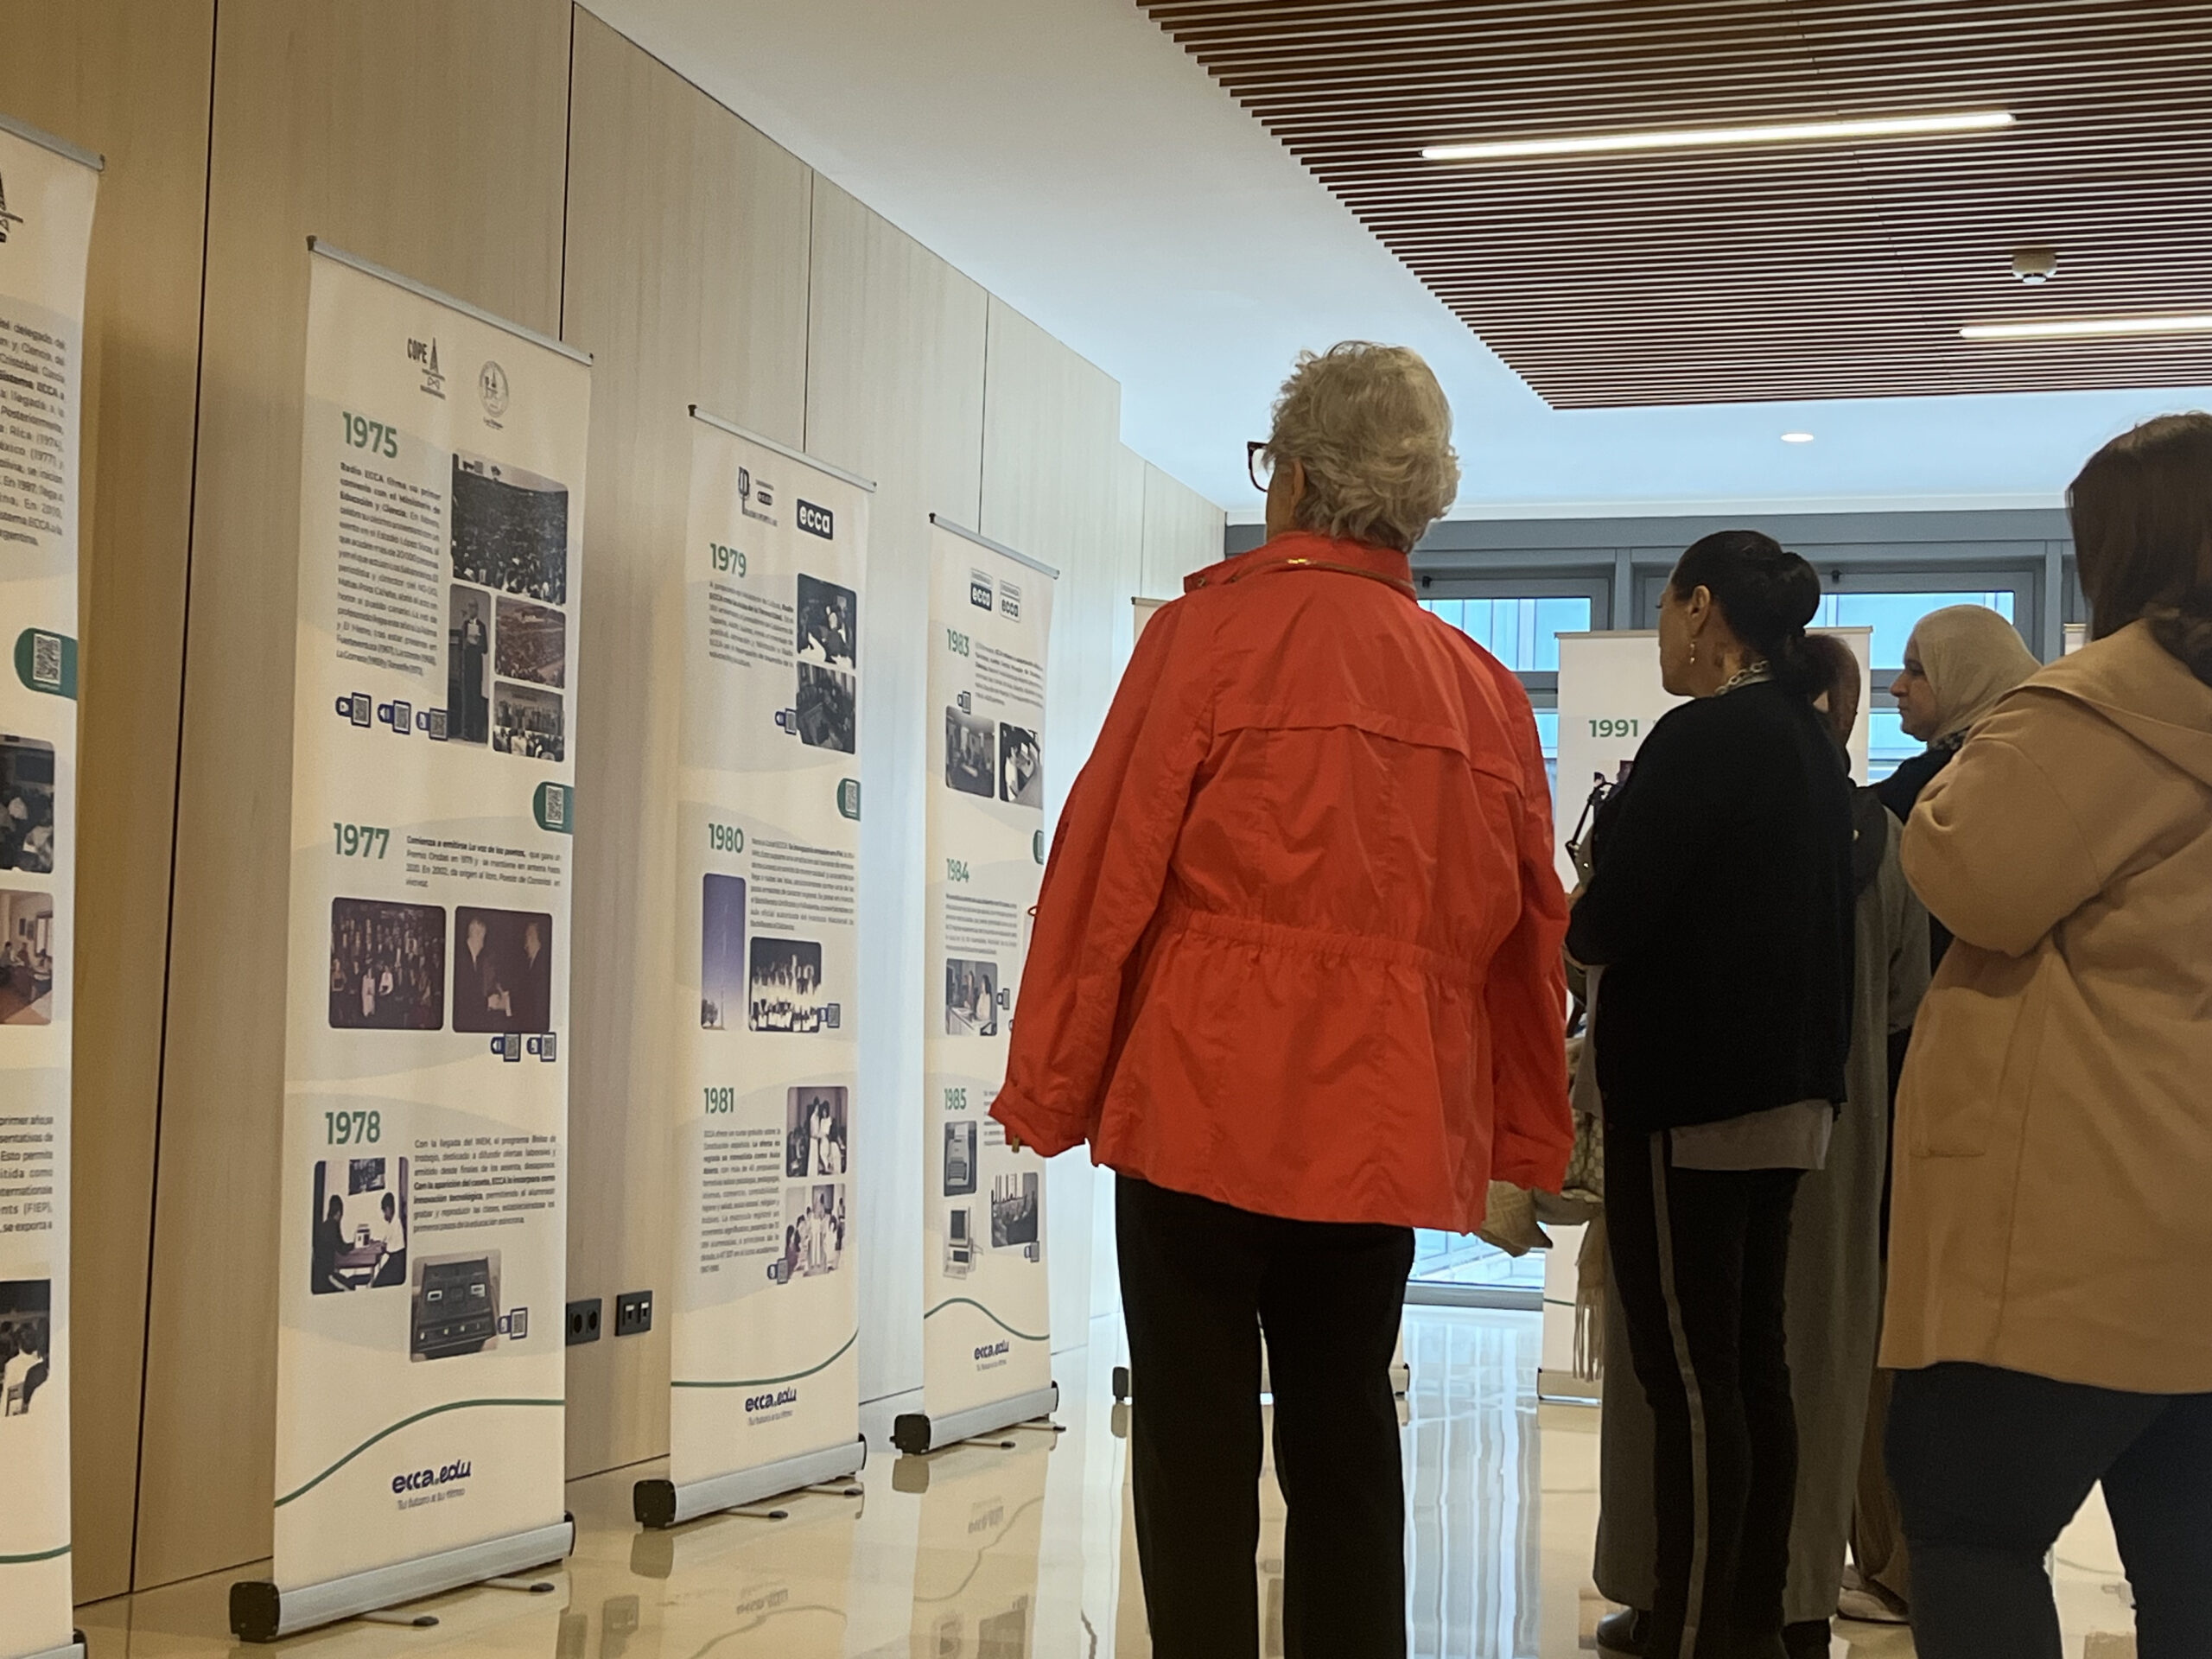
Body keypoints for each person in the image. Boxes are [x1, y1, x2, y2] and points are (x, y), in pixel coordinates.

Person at [990, 342, 1568, 1659]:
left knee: (1193, 1446)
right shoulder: (1482, 691)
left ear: (1295, 478)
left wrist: (1054, 1084)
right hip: (1382, 1120)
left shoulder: (1206, 640)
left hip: (1200, 1100)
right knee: (1347, 1436)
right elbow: (1526, 940)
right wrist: (1522, 1137)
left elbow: (1105, 870)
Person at [1881, 413, 2212, 1659]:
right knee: (2190, 1566)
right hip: (2192, 1220)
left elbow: (1971, 872)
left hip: (2074, 1219)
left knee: (1970, 1526)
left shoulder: (2098, 711)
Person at [1592, 635, 1929, 1659]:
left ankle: (1676, 1602)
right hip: (1836, 1133)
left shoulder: (1706, 801)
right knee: (1797, 1368)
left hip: (1698, 1117)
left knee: (1685, 1378)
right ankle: (1787, 1599)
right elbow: (1905, 1002)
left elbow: (1613, 942)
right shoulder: (1886, 840)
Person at [1568, 532, 1855, 1659]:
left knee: (1688, 1379)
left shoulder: (1703, 737)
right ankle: (1753, 1617)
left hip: (1689, 1097)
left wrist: (1580, 907)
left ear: (1700, 610)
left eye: (1664, 610)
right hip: (1789, 1094)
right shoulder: (1807, 739)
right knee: (1751, 1369)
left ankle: (1689, 1630)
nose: (1659, 636)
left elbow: (1611, 918)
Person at [312, 1193, 348, 1295]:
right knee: (347, 1289)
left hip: (317, 1276)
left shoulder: (324, 1225)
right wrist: (355, 1245)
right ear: (339, 1212)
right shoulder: (333, 1226)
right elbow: (342, 1249)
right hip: (326, 1278)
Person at [371, 1189, 408, 1288]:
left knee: (377, 1284)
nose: (384, 1215)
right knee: (378, 1280)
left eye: (384, 1211)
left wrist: (379, 1245)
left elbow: (386, 1246)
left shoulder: (397, 1223)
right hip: (395, 1259)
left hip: (397, 1261)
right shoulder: (392, 1223)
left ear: (388, 1209)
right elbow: (385, 1240)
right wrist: (376, 1243)